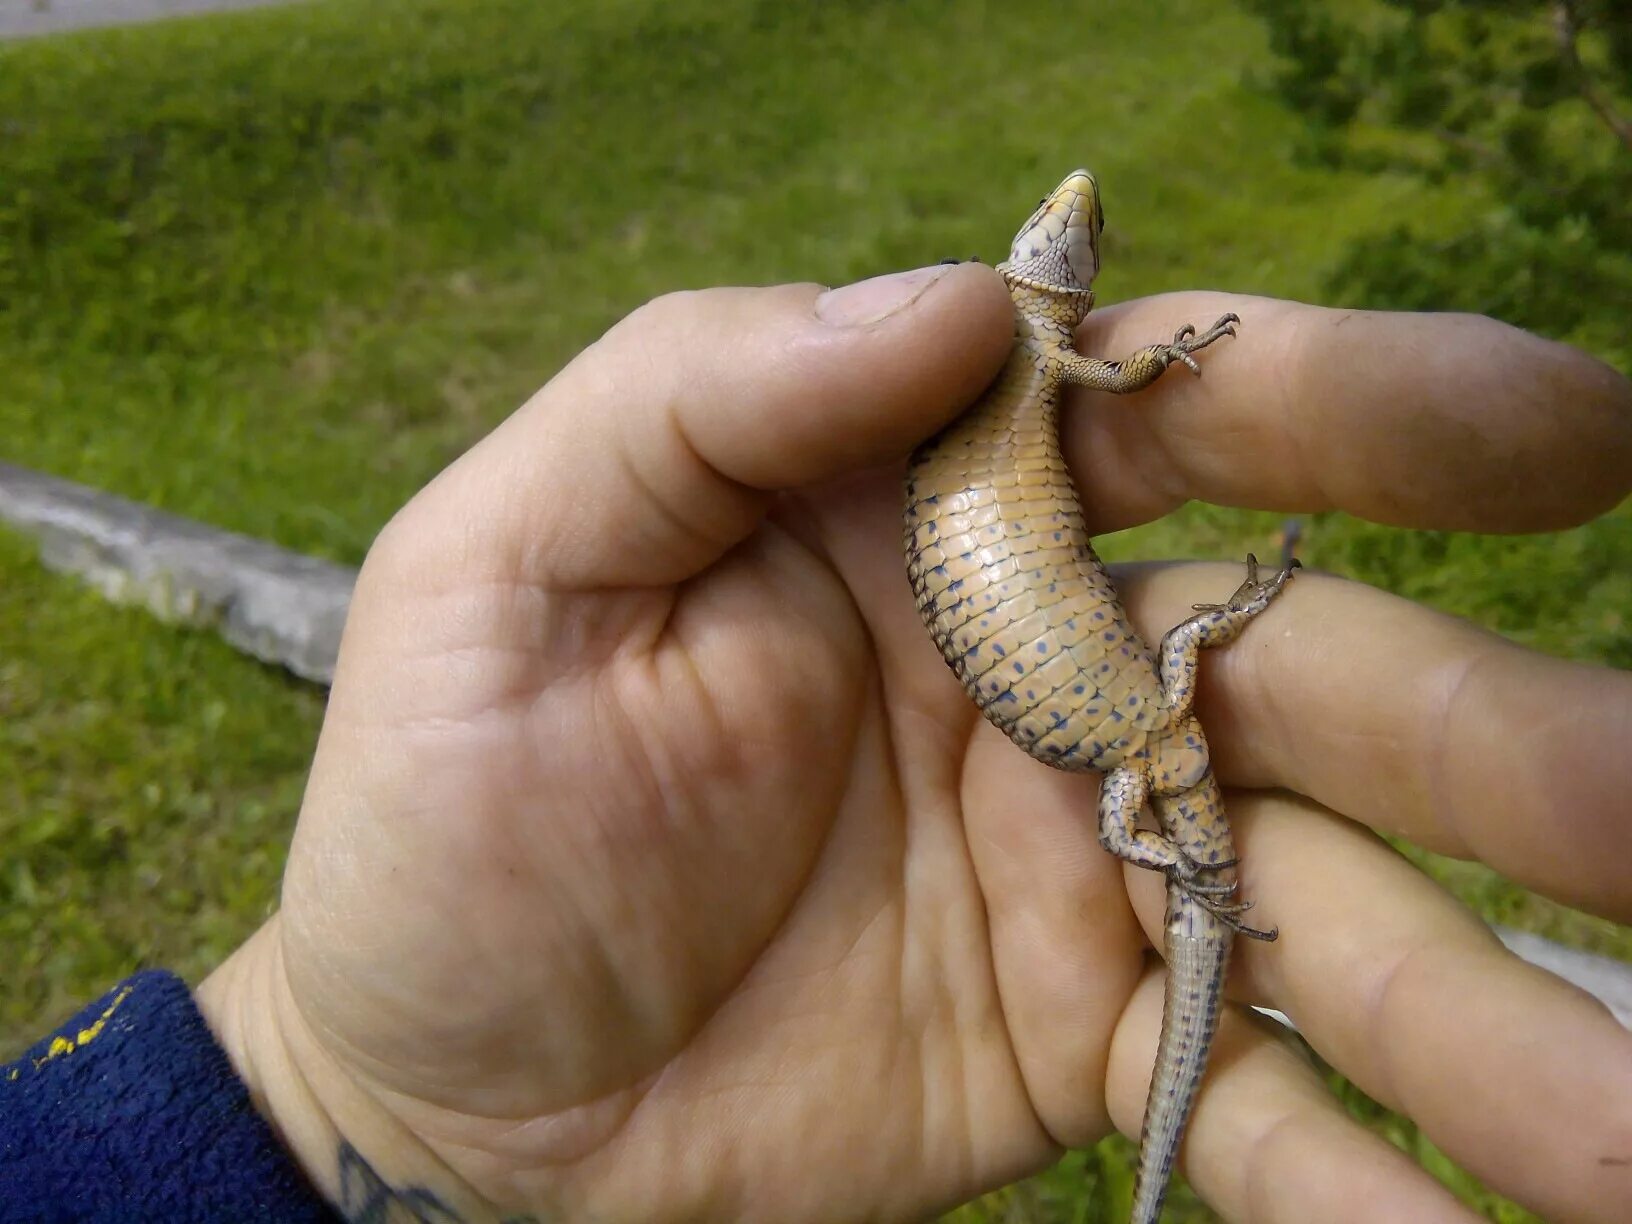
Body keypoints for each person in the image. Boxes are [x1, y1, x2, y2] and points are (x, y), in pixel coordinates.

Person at [5, 263, 1631, 1223]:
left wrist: (333, 1092)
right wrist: (345, 1090)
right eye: (1189, 834)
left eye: (1185, 836)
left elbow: (1187, 686)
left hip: (1048, 664)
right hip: (1057, 668)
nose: (1187, 827)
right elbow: (1188, 669)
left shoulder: (1142, 753)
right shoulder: (1146, 741)